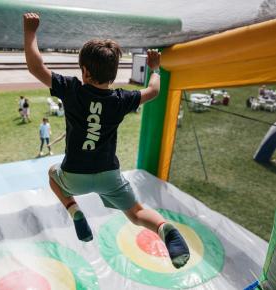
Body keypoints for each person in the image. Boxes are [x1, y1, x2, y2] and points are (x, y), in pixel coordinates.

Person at [23, 12, 190, 269]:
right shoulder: (122, 99)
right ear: (113, 74)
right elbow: (154, 90)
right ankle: (164, 227)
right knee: (136, 213)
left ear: (85, 71)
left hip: (74, 176)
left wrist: (31, 31)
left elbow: (36, 67)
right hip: (109, 176)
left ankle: (74, 210)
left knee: (51, 173)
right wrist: (155, 68)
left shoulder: (71, 89)